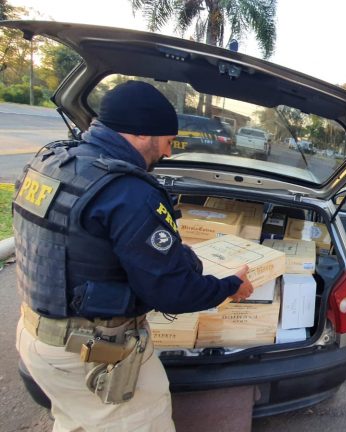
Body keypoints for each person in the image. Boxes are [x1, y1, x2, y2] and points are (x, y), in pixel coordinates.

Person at [13, 80, 254, 431]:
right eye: (168, 141)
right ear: (142, 133)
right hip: (94, 354)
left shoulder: (52, 161)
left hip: (38, 339)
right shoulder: (128, 192)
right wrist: (230, 286)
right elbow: (173, 292)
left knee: (76, 422)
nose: (168, 153)